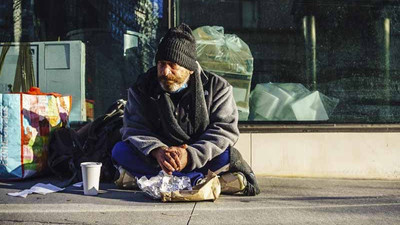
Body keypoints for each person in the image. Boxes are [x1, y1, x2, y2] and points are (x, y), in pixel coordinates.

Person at [112, 23, 260, 196]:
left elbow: (224, 130)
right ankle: (196, 180)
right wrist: (157, 151)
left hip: (198, 157)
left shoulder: (217, 87)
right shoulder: (143, 86)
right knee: (120, 150)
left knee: (227, 155)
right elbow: (134, 127)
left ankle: (158, 180)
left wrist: (189, 155)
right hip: (158, 159)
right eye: (161, 63)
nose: (165, 72)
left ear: (189, 68)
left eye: (172, 65)